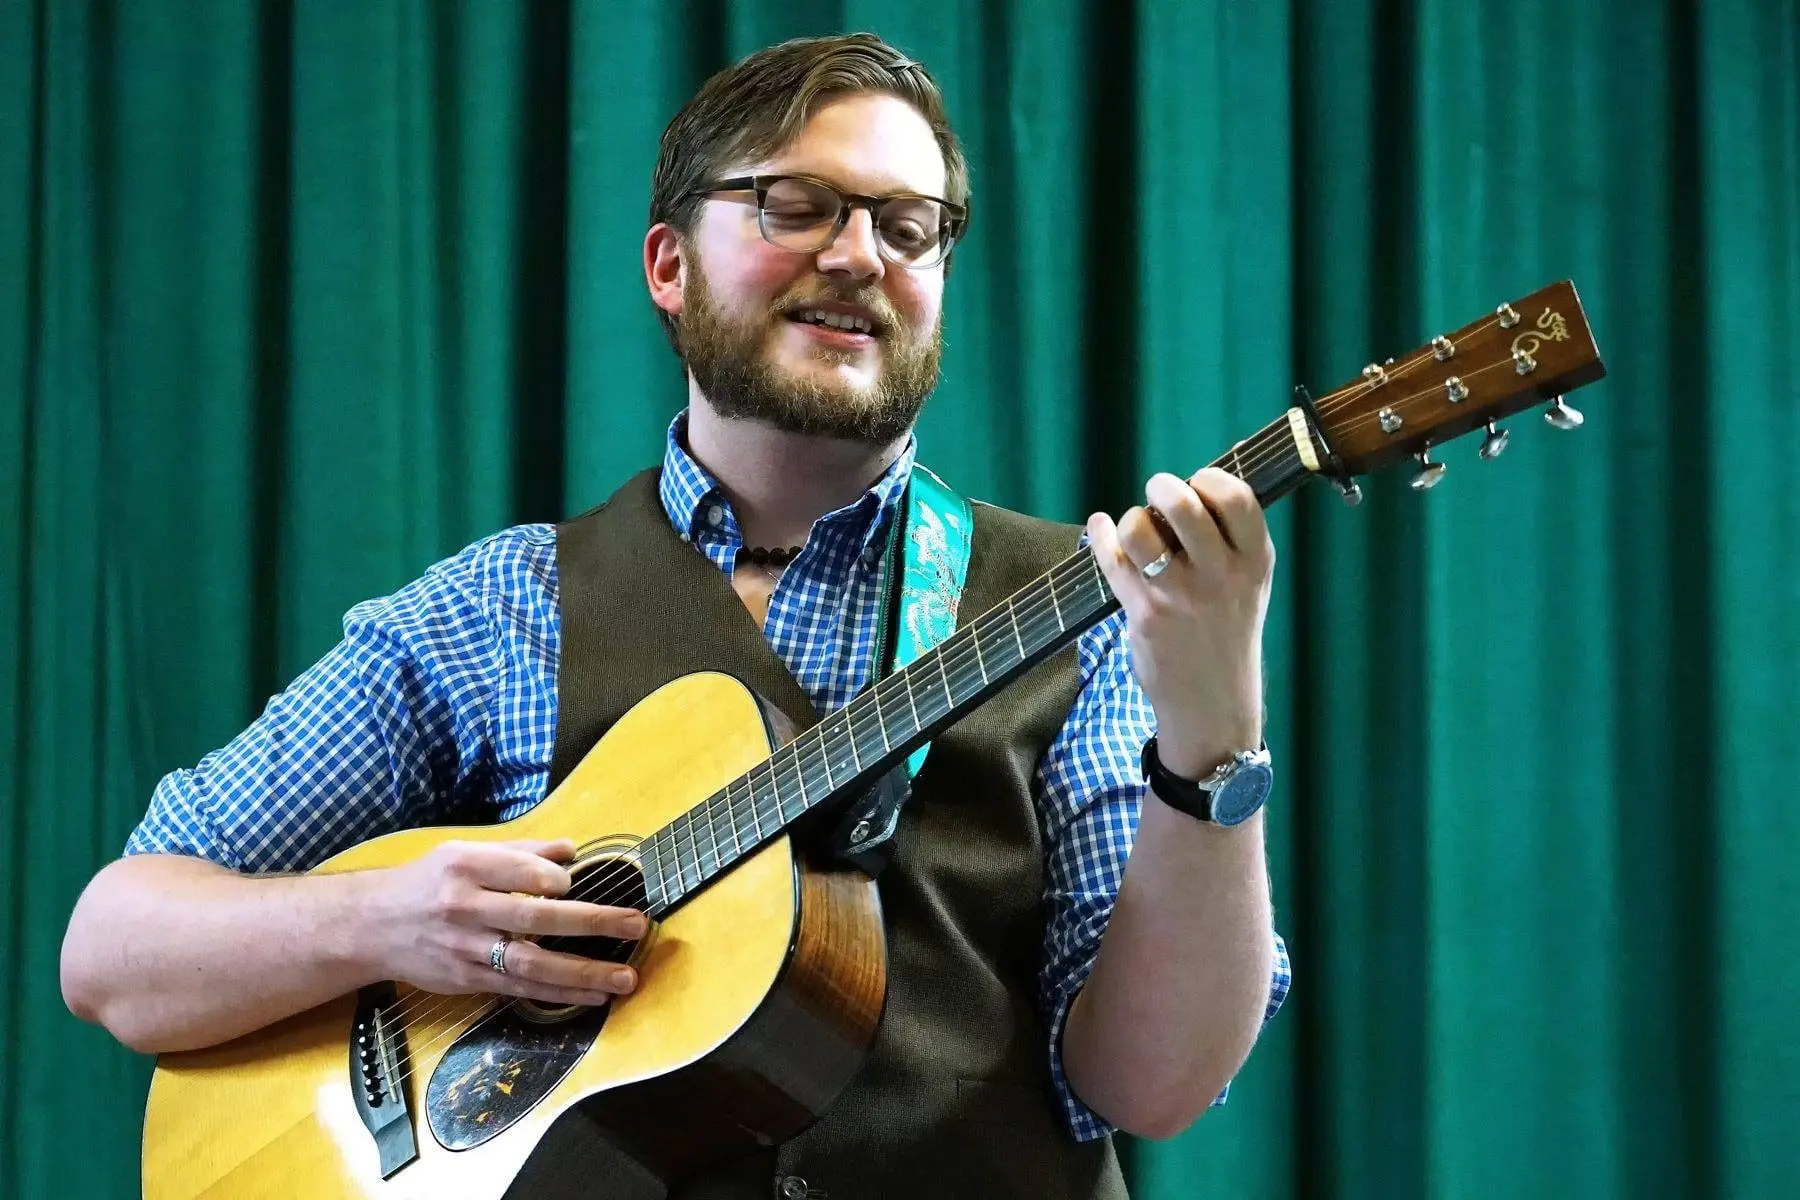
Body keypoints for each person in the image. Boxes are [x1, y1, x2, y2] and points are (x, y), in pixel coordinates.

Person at [61, 32, 1288, 1199]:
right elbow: (117, 950)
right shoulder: (499, 607)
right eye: (797, 206)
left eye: (908, 228)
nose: (860, 254)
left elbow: (1155, 1084)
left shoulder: (1083, 609)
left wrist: (1213, 738)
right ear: (668, 266)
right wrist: (389, 920)